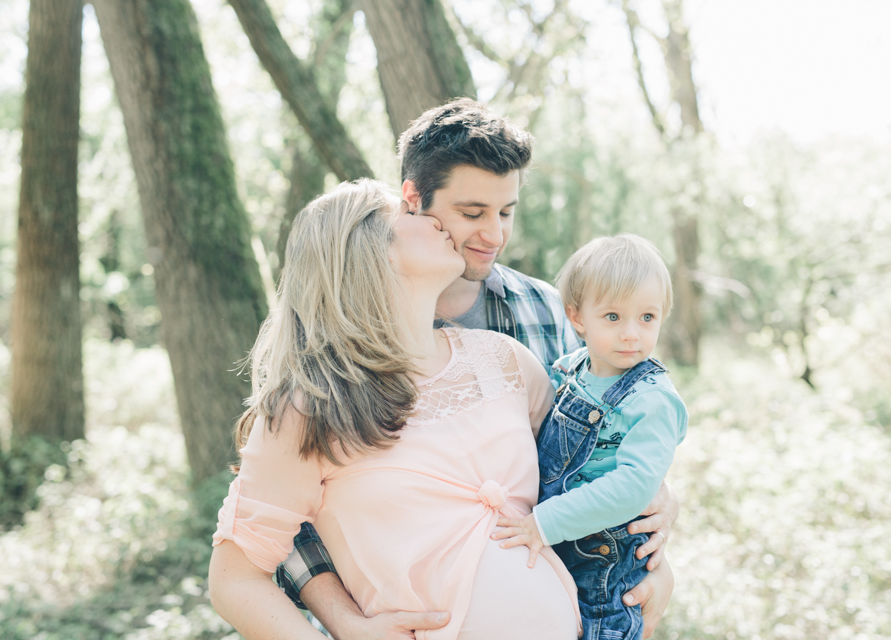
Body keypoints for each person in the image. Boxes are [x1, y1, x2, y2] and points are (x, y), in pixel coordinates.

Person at [277, 99, 679, 640]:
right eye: (472, 213)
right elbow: (280, 523)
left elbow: (599, 449)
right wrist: (344, 623)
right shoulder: (334, 331)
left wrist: (656, 543)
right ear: (413, 201)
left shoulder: (545, 311)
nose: (494, 234)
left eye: (506, 211)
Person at [209, 180, 582, 640]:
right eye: (408, 214)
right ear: (369, 251)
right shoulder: (312, 407)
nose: (432, 220)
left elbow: (593, 469)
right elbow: (234, 580)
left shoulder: (504, 361)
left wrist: (661, 506)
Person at [491, 235, 688, 640]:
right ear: (577, 318)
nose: (632, 334)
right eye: (613, 317)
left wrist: (543, 523)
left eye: (647, 317)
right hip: (560, 542)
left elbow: (632, 488)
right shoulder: (572, 369)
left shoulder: (654, 401)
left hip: (605, 563)